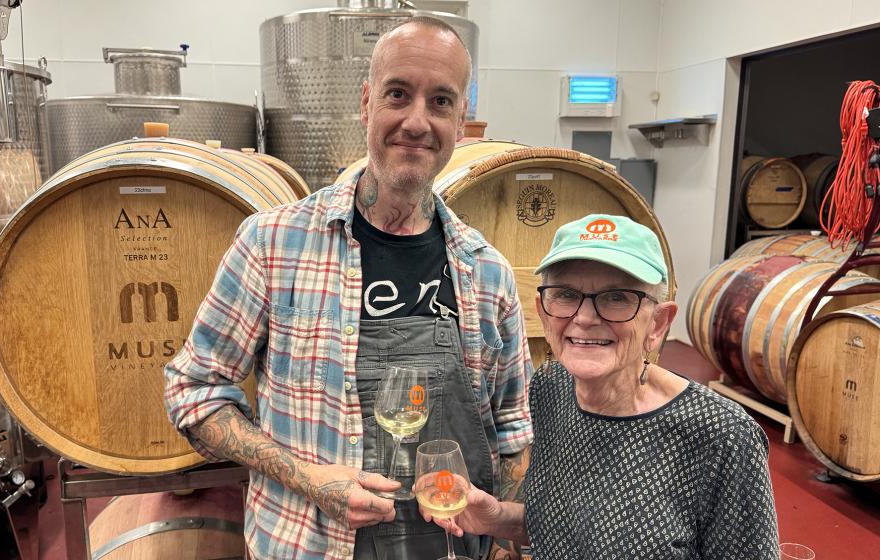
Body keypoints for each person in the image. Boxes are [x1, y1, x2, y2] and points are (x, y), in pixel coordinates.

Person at [164, 17, 533, 560]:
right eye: (398, 94)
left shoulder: (488, 271)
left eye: (440, 102)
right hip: (310, 546)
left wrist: (505, 542)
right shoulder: (273, 245)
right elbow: (192, 391)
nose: (416, 120)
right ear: (366, 103)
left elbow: (512, 431)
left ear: (460, 120)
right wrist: (311, 479)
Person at [426, 214, 780, 559]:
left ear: (658, 323)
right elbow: (565, 529)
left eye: (617, 297)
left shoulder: (722, 436)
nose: (584, 317)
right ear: (543, 312)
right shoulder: (552, 389)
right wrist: (497, 516)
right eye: (566, 294)